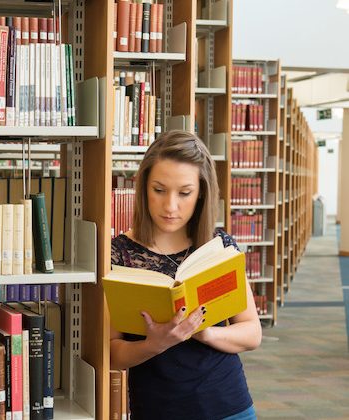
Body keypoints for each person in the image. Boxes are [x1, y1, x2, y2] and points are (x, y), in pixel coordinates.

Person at [110, 130, 262, 420]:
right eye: (159, 189)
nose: (170, 206)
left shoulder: (220, 247)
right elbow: (112, 353)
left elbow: (251, 332)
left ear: (201, 192)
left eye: (184, 192)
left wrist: (202, 331)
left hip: (229, 405)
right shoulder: (119, 255)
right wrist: (155, 344)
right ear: (143, 188)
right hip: (158, 409)